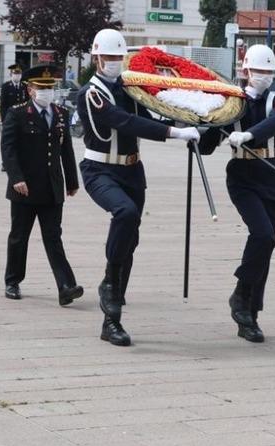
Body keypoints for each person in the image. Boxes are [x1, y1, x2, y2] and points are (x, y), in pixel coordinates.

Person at [77, 29, 200, 346]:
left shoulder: (129, 89)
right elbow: (124, 122)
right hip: (100, 169)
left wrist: (188, 121)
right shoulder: (91, 94)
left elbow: (145, 116)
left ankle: (111, 321)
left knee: (129, 239)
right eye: (109, 58)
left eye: (119, 57)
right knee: (125, 212)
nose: (115, 63)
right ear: (97, 58)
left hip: (132, 170)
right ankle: (109, 285)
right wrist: (173, 134)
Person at [198, 44, 275, 343]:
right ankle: (241, 296)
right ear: (245, 71)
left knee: (267, 246)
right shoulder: (232, 102)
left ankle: (250, 314)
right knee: (263, 235)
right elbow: (207, 148)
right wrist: (202, 126)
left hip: (270, 172)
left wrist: (248, 134)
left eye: (270, 72)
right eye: (259, 72)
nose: (265, 77)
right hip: (242, 176)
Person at [2, 71, 83, 306]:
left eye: (50, 87)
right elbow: (8, 149)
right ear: (30, 90)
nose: (47, 92)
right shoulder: (17, 114)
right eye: (41, 88)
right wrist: (16, 178)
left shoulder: (60, 114)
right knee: (19, 237)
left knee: (53, 237)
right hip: (24, 188)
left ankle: (66, 286)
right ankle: (13, 281)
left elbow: (66, 149)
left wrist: (72, 181)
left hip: (51, 187)